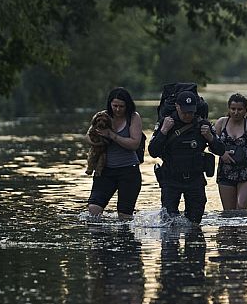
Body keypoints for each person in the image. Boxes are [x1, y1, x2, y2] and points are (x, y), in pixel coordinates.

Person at [148, 90, 225, 225]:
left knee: (195, 224)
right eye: (185, 112)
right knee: (168, 224)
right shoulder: (166, 123)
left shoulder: (202, 124)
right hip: (171, 180)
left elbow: (221, 150)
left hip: (195, 180)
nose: (188, 115)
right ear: (177, 107)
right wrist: (163, 131)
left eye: (191, 112)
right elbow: (153, 151)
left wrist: (210, 137)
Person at [86, 87, 143, 220]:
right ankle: (101, 240)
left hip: (129, 171)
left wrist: (111, 135)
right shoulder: (102, 116)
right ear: (110, 104)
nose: (117, 109)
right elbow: (88, 136)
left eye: (121, 106)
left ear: (127, 105)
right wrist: (97, 142)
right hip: (104, 170)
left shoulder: (134, 117)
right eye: (115, 106)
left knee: (124, 216)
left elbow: (134, 144)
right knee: (93, 210)